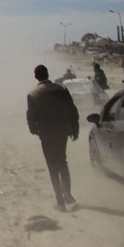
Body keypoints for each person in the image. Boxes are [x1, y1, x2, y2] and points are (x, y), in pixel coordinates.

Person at [26, 64, 79, 211]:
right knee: (62, 161)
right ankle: (67, 193)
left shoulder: (33, 94)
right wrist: (75, 129)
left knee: (52, 166)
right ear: (47, 74)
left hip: (47, 134)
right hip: (63, 131)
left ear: (36, 76)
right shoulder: (61, 89)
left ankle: (60, 201)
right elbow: (72, 110)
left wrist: (35, 130)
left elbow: (31, 117)